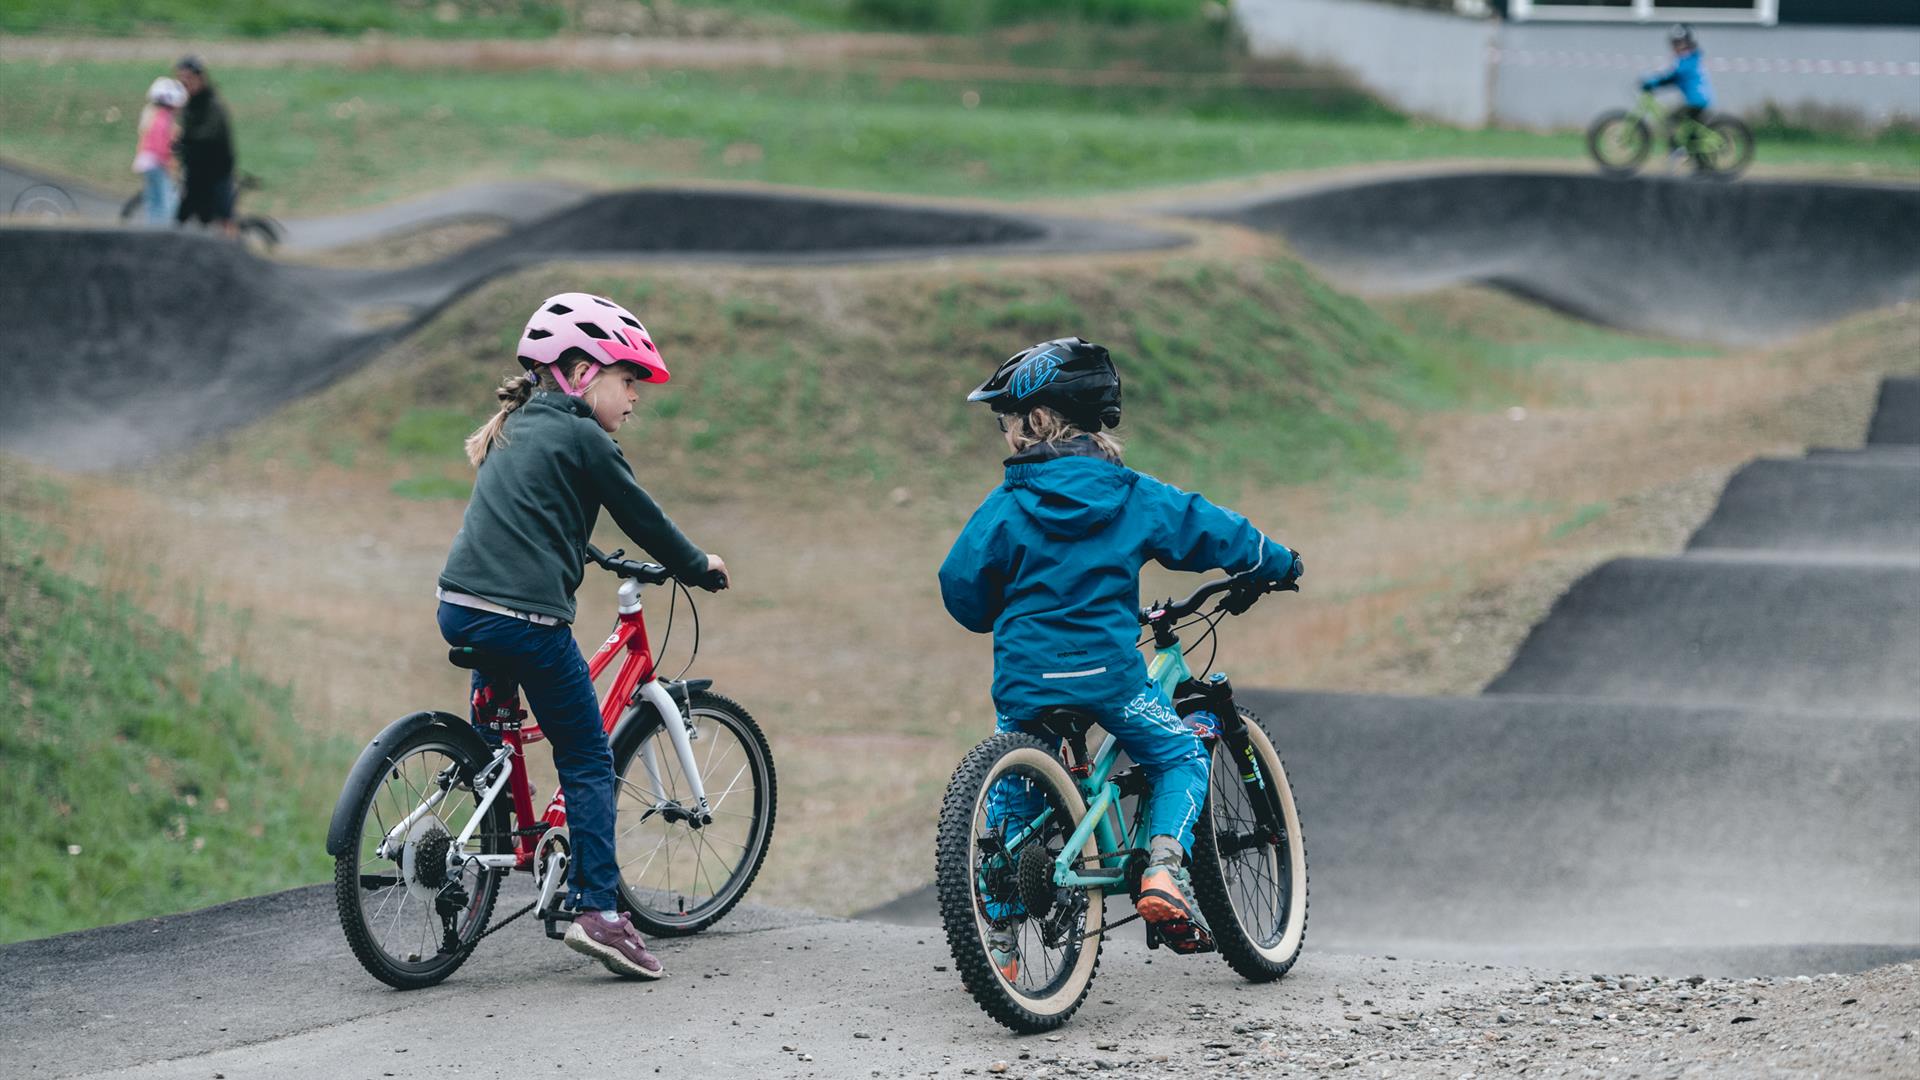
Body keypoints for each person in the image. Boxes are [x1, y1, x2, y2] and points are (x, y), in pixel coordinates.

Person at [938, 338, 1303, 975]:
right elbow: (1211, 527)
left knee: (1018, 780)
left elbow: (963, 593)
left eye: (1007, 420)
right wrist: (1274, 560)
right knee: (1180, 751)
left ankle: (996, 916)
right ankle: (1162, 868)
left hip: (1025, 682)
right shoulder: (1133, 496)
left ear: (1041, 421)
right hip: (1110, 679)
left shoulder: (1003, 508)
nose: (1004, 431)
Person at [437, 292, 730, 980]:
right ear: (578, 372)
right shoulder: (584, 437)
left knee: (503, 728)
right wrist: (697, 565)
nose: (634, 399)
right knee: (590, 758)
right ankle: (598, 911)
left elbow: (530, 516)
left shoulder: (518, 425)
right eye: (628, 381)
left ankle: (484, 783)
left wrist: (586, 553)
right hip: (526, 618)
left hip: (459, 605)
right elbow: (644, 517)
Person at [171, 56, 237, 236]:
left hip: (216, 172)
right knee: (188, 217)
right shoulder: (188, 104)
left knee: (222, 218)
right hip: (197, 172)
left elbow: (207, 136)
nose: (185, 83)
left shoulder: (212, 104)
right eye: (181, 79)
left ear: (200, 78)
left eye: (188, 78)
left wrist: (184, 141)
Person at [1641, 24, 1715, 163]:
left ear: (1688, 43)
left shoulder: (1689, 59)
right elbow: (1671, 77)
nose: (1676, 47)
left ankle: (1677, 149)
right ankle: (1698, 161)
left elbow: (1673, 76)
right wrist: (1656, 81)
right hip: (1697, 100)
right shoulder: (1689, 58)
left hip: (1697, 101)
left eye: (1679, 43)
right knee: (1693, 133)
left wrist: (1651, 83)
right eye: (1674, 43)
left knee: (1670, 119)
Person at [132, 77, 185, 225]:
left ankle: (153, 231)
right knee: (166, 203)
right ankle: (163, 233)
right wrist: (169, 161)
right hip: (156, 163)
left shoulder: (151, 113)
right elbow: (161, 144)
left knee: (154, 201)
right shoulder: (163, 117)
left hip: (146, 162)